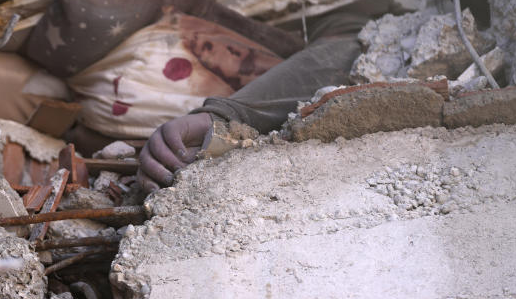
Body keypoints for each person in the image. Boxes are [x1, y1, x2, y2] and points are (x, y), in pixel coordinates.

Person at [136, 13, 371, 192]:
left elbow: (349, 51)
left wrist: (224, 115)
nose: (234, 57)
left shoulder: (365, 30)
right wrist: (220, 117)